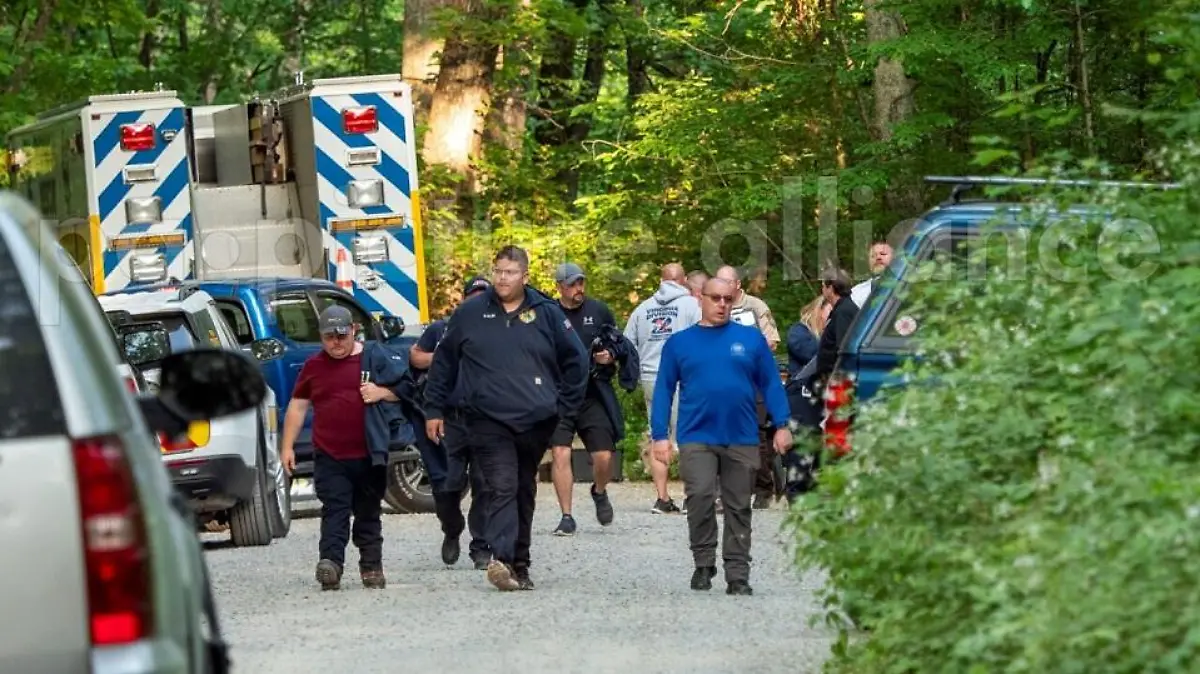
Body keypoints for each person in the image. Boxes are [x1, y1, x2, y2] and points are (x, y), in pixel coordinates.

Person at [423, 245, 589, 592]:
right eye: (498, 271)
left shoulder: (546, 312)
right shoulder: (470, 313)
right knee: (500, 485)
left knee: (523, 487)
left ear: (524, 276)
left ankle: (520, 563)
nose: (502, 278)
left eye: (510, 272)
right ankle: (501, 559)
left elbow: (577, 360)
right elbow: (444, 362)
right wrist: (434, 408)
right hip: (486, 418)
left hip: (535, 419)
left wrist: (565, 408)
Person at [651, 277, 792, 595]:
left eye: (728, 299)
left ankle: (738, 574)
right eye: (715, 298)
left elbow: (771, 383)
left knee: (739, 505)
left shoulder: (751, 339)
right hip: (696, 434)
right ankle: (703, 563)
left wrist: (782, 424)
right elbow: (663, 389)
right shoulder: (680, 343)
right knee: (699, 496)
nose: (722, 304)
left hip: (741, 435)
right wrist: (660, 434)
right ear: (700, 298)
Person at [280, 305, 402, 591]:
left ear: (354, 331)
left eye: (341, 335)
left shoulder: (374, 359)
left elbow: (405, 391)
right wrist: (287, 447)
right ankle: (331, 564)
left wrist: (381, 392)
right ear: (320, 337)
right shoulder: (313, 367)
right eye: (329, 337)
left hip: (370, 454)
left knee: (368, 511)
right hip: (330, 455)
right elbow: (298, 407)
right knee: (334, 509)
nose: (336, 342)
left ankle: (371, 566)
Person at [409, 275, 494, 569]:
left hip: (485, 419)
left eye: (484, 296)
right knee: (447, 484)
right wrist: (445, 355)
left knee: (484, 484)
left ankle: (481, 547)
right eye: (474, 295)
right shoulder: (442, 329)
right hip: (449, 419)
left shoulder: (500, 330)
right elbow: (416, 357)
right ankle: (452, 529)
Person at [550, 262, 639, 535]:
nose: (578, 289)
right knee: (560, 452)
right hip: (560, 395)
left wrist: (609, 355)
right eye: (572, 284)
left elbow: (617, 343)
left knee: (603, 457)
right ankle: (566, 516)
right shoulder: (548, 313)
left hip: (592, 393)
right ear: (560, 287)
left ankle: (599, 491)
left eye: (581, 283)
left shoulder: (598, 310)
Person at [623, 262, 701, 514]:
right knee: (688, 436)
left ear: (661, 280)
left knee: (658, 435)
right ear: (684, 279)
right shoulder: (692, 305)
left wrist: (635, 375)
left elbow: (626, 346)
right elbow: (704, 337)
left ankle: (662, 498)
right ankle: (691, 498)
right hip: (683, 378)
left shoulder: (642, 309)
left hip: (651, 378)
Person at [713, 265, 782, 509]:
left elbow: (772, 342)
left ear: (737, 285)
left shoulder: (756, 306)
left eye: (725, 282)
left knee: (757, 434)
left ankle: (764, 487)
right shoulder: (716, 307)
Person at [781, 295, 830, 503]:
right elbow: (814, 355)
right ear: (819, 310)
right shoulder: (799, 332)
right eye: (830, 312)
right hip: (801, 400)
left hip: (822, 402)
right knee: (800, 458)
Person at [815, 267, 859, 383]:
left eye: (824, 285)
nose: (822, 289)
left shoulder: (844, 312)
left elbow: (844, 348)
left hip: (837, 381)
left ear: (831, 287)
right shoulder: (841, 309)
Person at [850, 241, 894, 308]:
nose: (878, 257)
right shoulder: (856, 293)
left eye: (883, 254)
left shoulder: (909, 282)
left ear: (894, 258)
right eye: (873, 256)